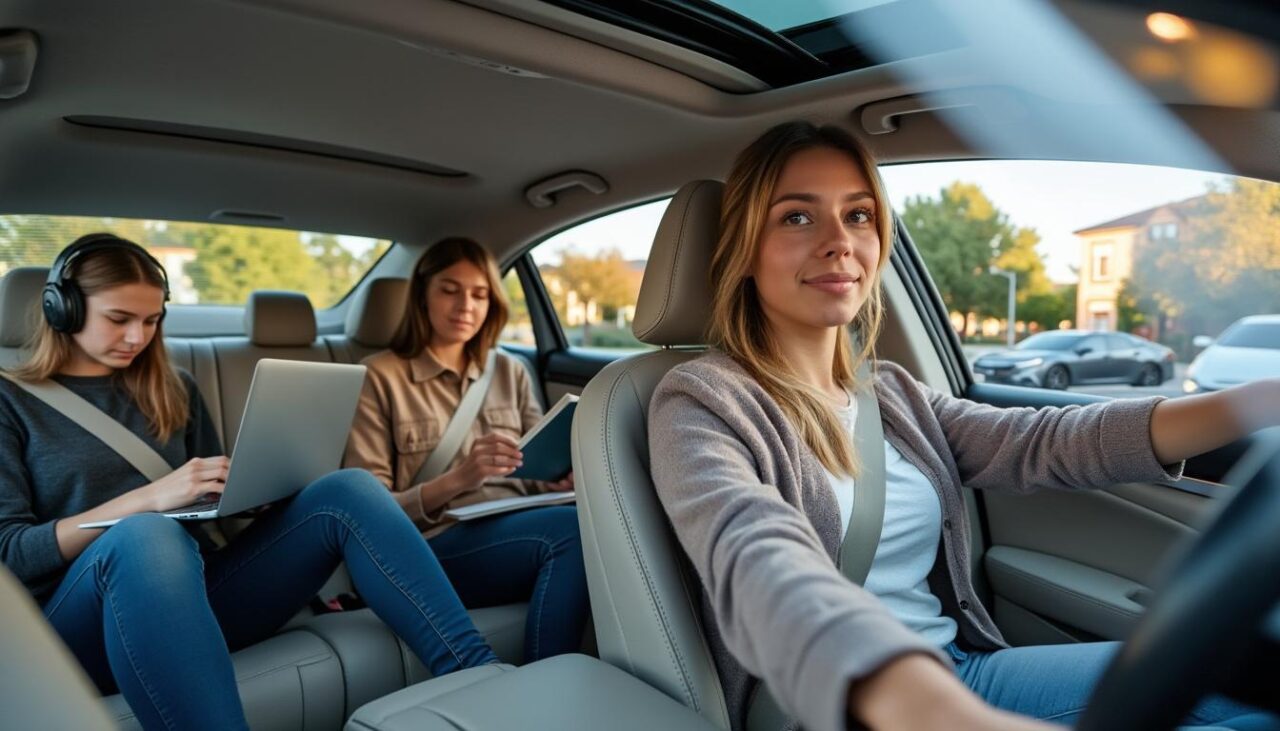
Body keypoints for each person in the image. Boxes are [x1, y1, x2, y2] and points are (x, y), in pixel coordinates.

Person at [647, 122, 1280, 731]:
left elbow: (1045, 443)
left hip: (963, 674)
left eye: (859, 214)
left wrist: (1261, 399)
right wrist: (926, 710)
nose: (839, 240)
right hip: (848, 709)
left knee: (1244, 682)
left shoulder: (891, 393)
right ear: (744, 250)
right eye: (797, 216)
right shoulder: (701, 402)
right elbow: (756, 556)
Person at [0, 234, 499, 731]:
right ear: (61, 308)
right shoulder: (12, 401)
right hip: (69, 625)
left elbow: (209, 507)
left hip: (192, 593)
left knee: (348, 489)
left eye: (151, 321)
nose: (137, 337)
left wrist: (253, 498)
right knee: (146, 534)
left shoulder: (174, 388)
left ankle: (483, 682)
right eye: (119, 319)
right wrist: (151, 499)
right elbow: (13, 555)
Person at [344, 237, 588, 661]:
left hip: (517, 523)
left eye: (479, 295)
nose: (466, 307)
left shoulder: (510, 370)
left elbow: (533, 474)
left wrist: (560, 479)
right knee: (572, 535)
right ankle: (547, 683)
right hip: (432, 546)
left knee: (599, 521)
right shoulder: (377, 377)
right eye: (449, 290)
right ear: (422, 294)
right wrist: (463, 477)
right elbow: (369, 517)